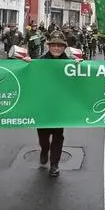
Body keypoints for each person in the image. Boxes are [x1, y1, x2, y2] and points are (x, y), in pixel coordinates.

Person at [37, 33, 74, 177]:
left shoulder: (70, 63)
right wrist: (26, 64)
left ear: (64, 47)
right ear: (49, 46)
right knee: (43, 137)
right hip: (43, 107)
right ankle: (44, 150)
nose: (56, 48)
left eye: (59, 45)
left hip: (60, 107)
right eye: (54, 45)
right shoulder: (40, 62)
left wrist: (80, 66)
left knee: (58, 136)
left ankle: (54, 164)